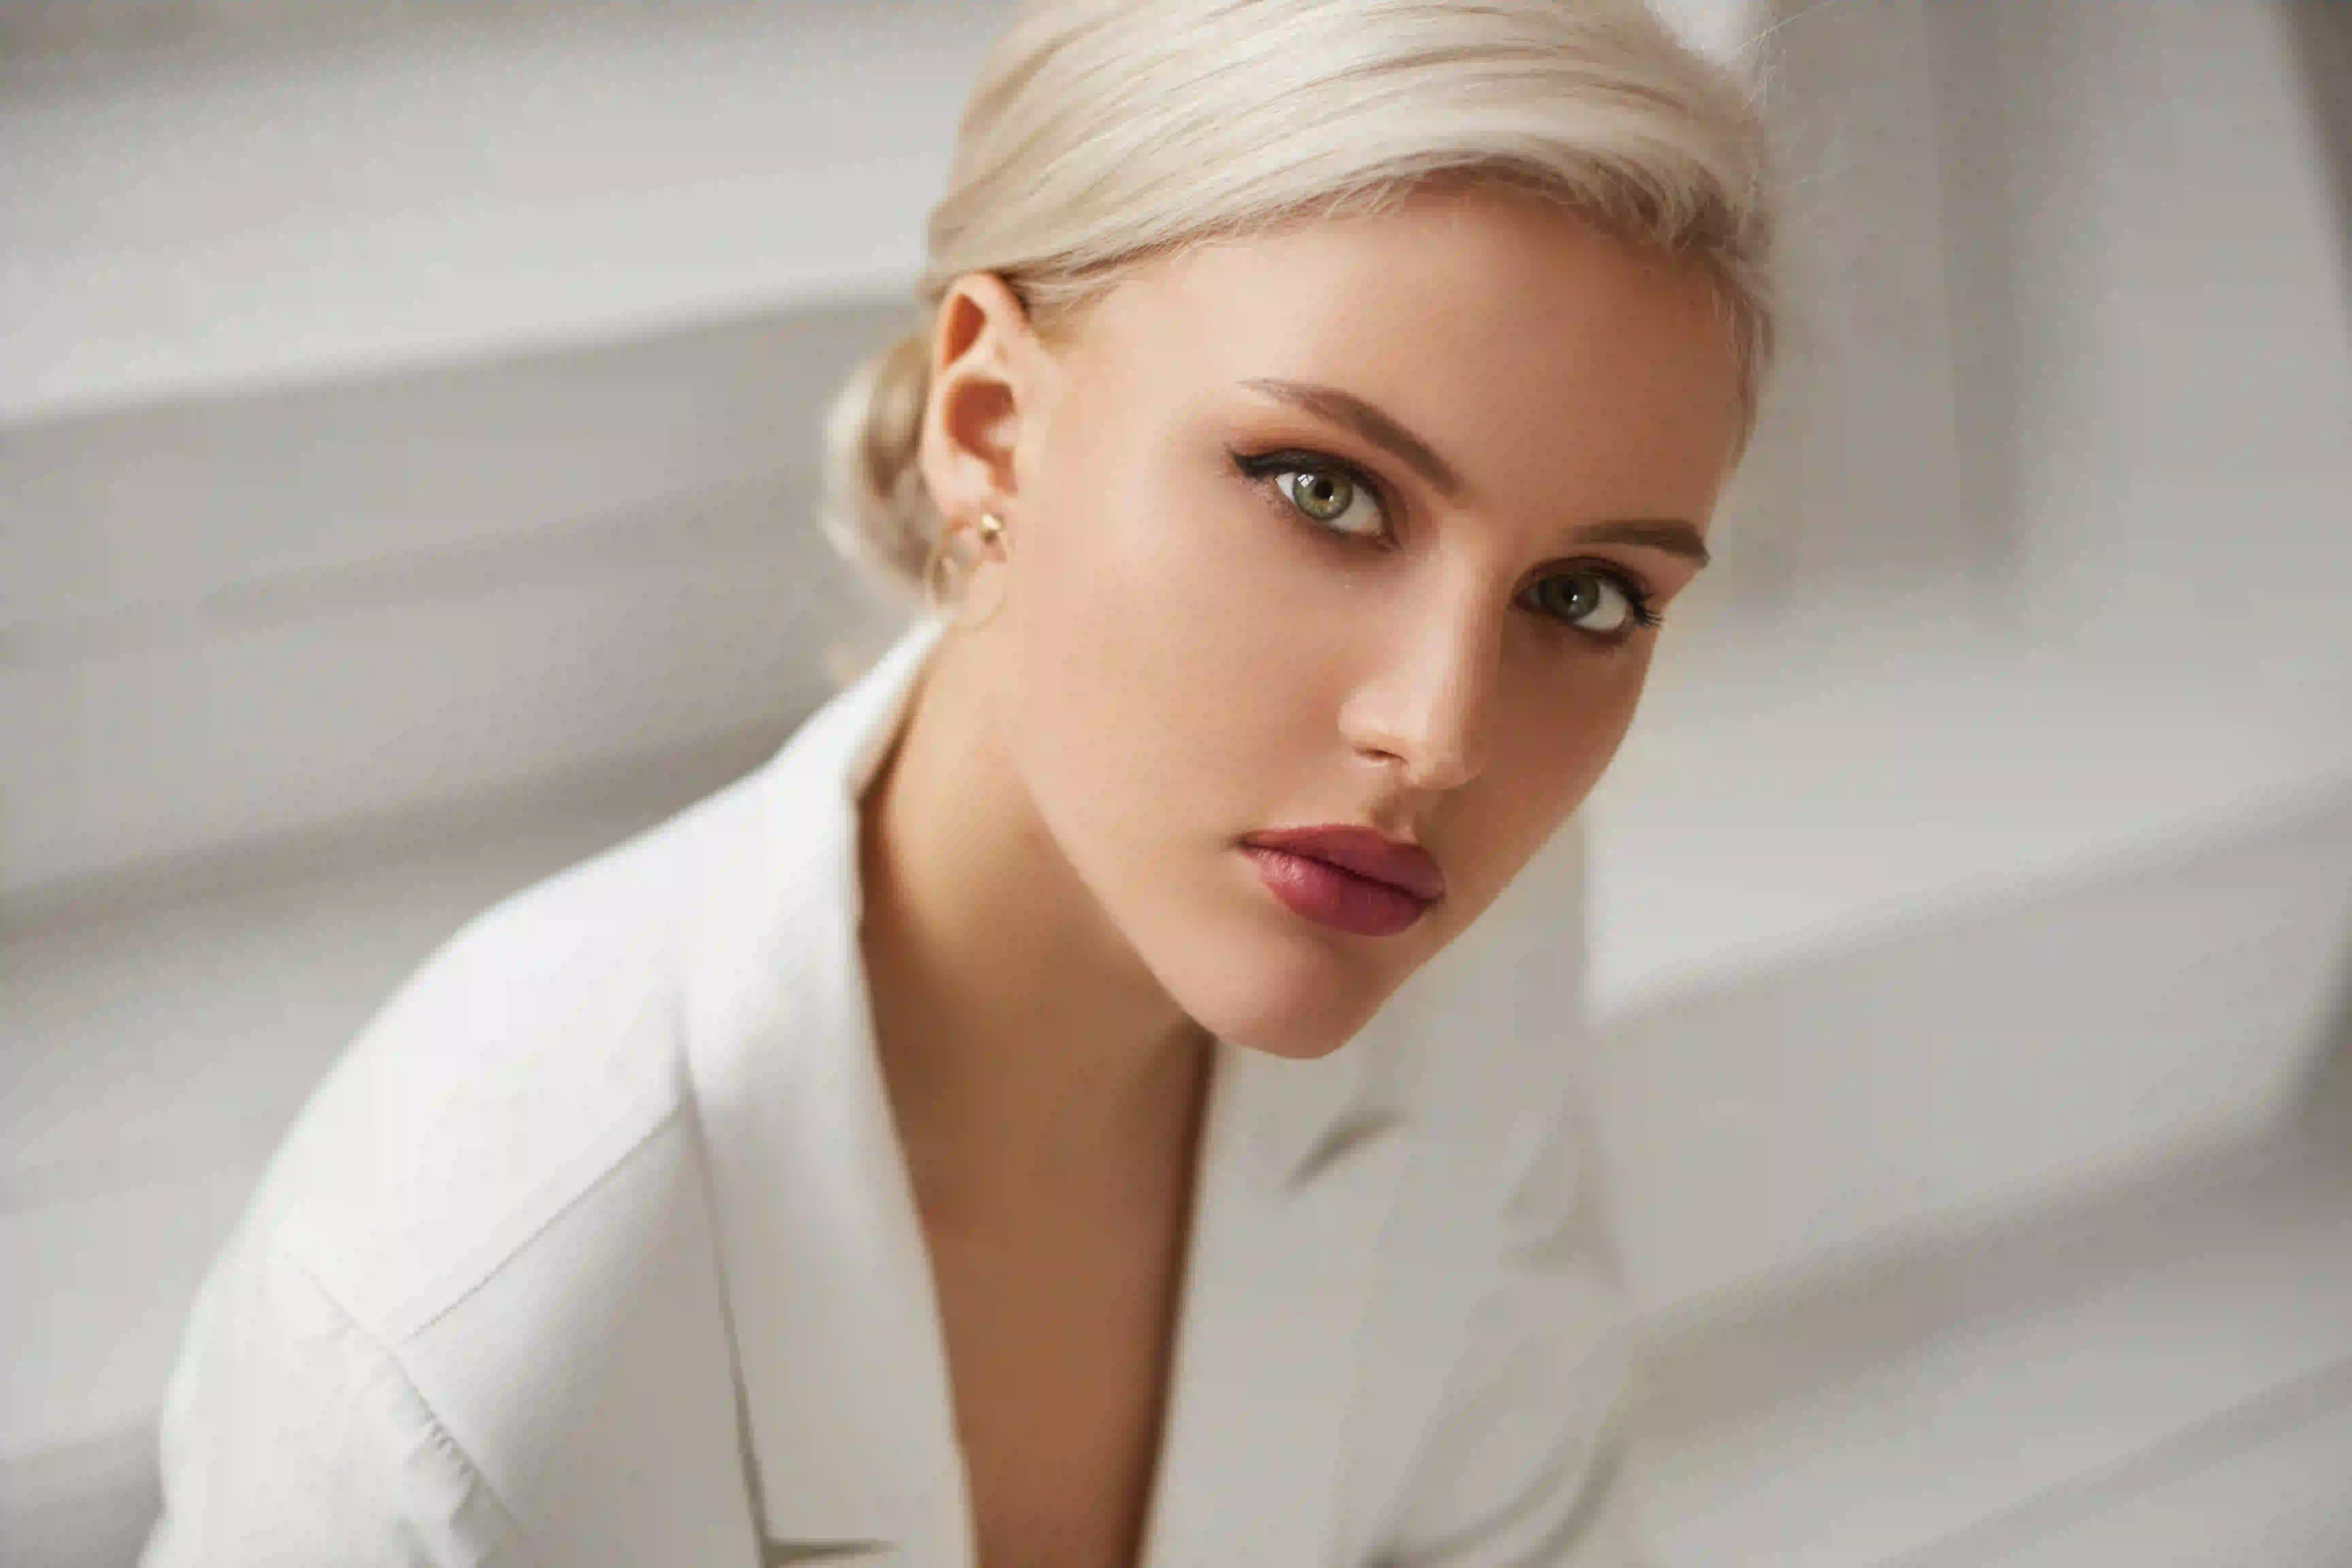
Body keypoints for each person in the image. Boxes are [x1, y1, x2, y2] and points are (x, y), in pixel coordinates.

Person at [141, 0, 1778, 1563]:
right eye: (1325, 493)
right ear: (990, 426)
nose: (1443, 733)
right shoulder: (474, 1335)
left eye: (1585, 598)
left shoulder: (1466, 947)